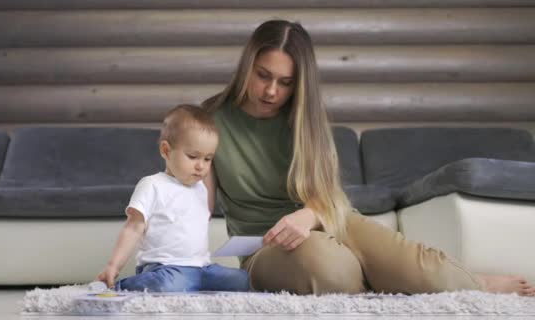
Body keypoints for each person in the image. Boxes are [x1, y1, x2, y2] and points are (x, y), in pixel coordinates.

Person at [202, 19, 535, 296]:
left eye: (285, 82)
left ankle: (477, 284)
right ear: (247, 65)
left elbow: (329, 197)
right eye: (263, 75)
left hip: (333, 221)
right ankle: (383, 280)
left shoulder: (305, 119)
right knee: (329, 270)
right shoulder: (210, 119)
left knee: (422, 267)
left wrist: (306, 218)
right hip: (266, 248)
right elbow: (196, 204)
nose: (272, 91)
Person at [96, 104, 249, 292]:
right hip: (165, 268)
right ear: (166, 151)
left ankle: (191, 287)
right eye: (193, 156)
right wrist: (113, 266)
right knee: (167, 285)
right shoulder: (152, 185)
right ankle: (120, 287)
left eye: (208, 159)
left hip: (202, 268)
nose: (201, 166)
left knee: (242, 280)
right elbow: (133, 228)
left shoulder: (200, 189)